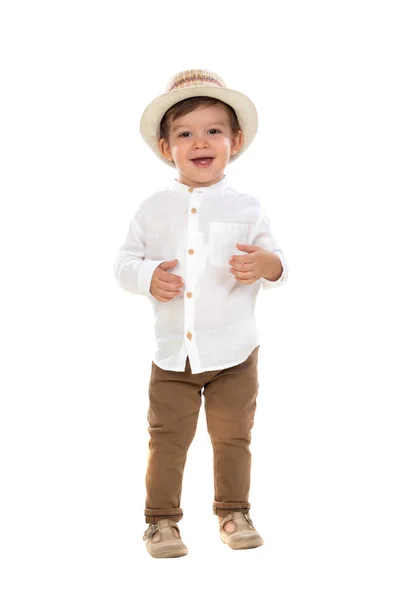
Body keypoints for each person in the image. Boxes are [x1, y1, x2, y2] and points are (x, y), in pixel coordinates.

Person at [113, 68, 289, 558]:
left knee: (234, 436)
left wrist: (265, 264)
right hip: (174, 357)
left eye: (214, 130)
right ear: (167, 147)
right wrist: (148, 275)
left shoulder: (248, 207)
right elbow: (123, 264)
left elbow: (280, 264)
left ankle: (233, 511)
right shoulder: (152, 209)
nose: (200, 142)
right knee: (167, 440)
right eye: (185, 133)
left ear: (235, 140)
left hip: (236, 351)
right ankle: (161, 523)